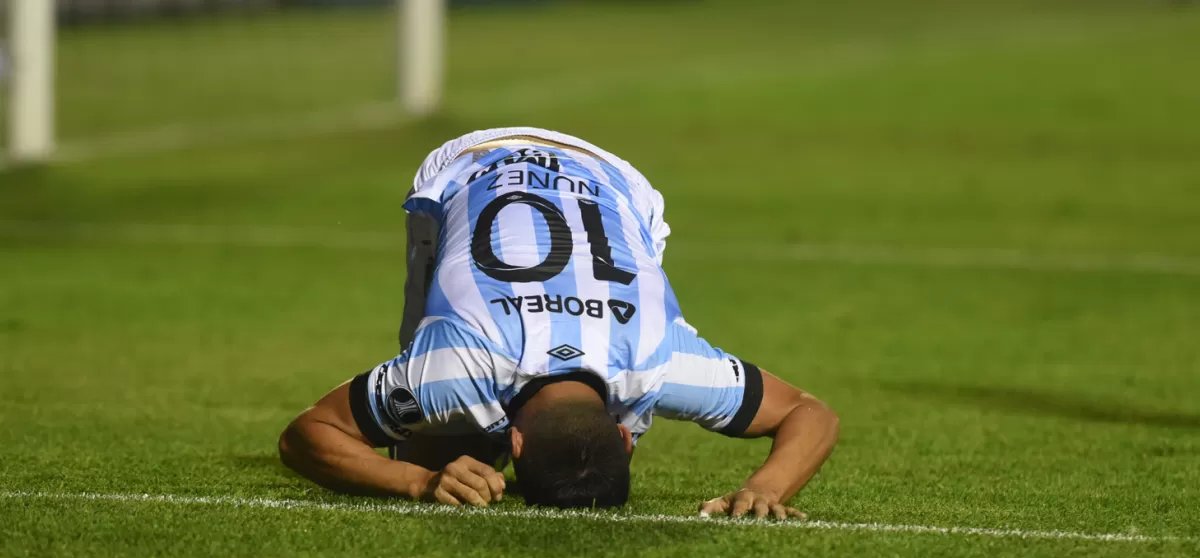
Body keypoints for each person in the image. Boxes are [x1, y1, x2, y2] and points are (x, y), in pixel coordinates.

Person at [278, 128, 838, 519]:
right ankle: (453, 449)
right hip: (466, 166)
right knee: (429, 447)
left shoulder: (664, 362)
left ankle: (472, 447)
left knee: (443, 439)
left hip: (613, 179)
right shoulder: (454, 366)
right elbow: (306, 437)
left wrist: (765, 487)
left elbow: (809, 414)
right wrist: (421, 481)